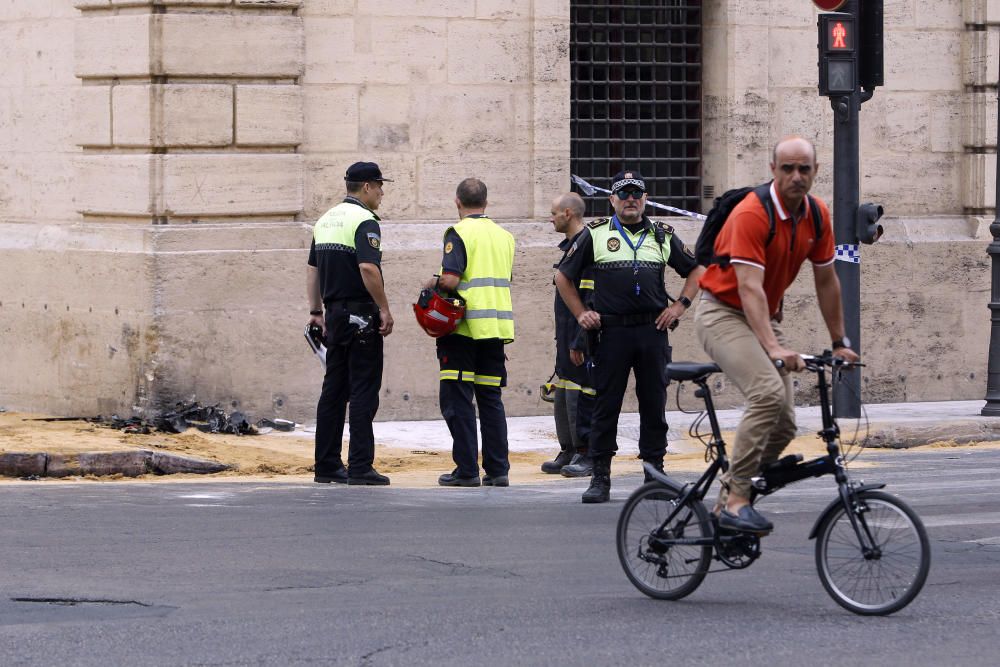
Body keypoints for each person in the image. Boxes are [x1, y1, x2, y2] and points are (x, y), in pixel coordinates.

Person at [694, 136, 859, 533]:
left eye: (804, 169)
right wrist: (774, 347)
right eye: (787, 168)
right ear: (773, 170)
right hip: (722, 313)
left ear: (816, 172)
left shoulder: (817, 215)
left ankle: (727, 501)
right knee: (767, 394)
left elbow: (827, 281)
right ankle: (735, 500)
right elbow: (749, 288)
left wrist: (840, 342)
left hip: (762, 318)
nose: (796, 176)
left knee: (784, 424)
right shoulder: (752, 213)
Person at [556, 169, 705, 503]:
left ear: (646, 199)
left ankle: (654, 473)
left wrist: (679, 306)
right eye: (623, 194)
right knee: (606, 405)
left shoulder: (662, 235)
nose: (630, 200)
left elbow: (697, 269)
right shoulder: (594, 235)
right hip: (611, 333)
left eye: (637, 193)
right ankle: (601, 478)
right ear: (612, 199)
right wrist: (582, 314)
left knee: (654, 403)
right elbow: (564, 278)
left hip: (651, 331)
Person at [307, 161, 395, 486]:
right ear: (368, 187)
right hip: (360, 315)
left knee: (333, 390)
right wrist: (384, 309)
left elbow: (313, 270)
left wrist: (316, 312)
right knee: (362, 390)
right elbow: (369, 270)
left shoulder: (326, 220)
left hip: (333, 315)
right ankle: (360, 465)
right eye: (380, 187)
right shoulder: (365, 221)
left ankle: (327, 464)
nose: (382, 193)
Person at [428, 178, 516, 488]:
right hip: (495, 330)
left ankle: (466, 470)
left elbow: (451, 279)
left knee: (458, 400)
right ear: (486, 203)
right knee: (491, 399)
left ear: (457, 202)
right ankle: (498, 470)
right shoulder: (505, 236)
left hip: (463, 329)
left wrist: (432, 282)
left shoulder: (458, 233)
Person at [541, 192, 595, 477]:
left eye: (554, 213)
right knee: (563, 389)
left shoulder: (586, 246)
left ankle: (584, 450)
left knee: (579, 392)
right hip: (566, 335)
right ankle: (569, 449)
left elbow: (587, 297)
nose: (551, 218)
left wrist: (579, 339)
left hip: (579, 336)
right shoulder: (571, 247)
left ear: (568, 214)